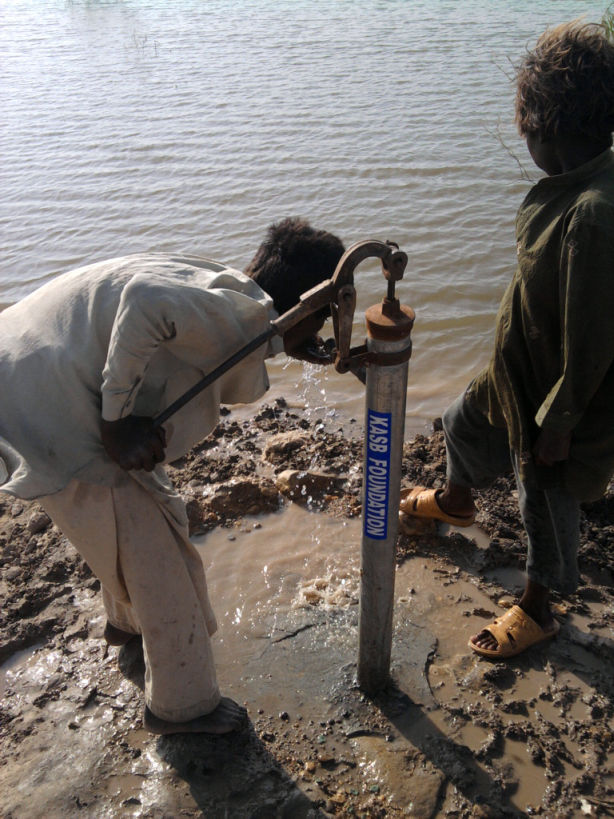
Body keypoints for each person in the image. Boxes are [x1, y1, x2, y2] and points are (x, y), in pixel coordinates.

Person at [0, 217, 344, 733]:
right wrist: (116, 425)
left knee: (140, 517)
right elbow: (144, 301)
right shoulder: (230, 313)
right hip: (46, 408)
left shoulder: (228, 290)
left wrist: (290, 339)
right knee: (159, 560)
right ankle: (184, 707)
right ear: (310, 304)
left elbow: (160, 311)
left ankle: (126, 625)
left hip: (27, 364)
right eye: (325, 316)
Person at [399, 20, 614, 659]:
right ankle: (455, 500)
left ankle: (539, 607)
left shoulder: (593, 216)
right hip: (515, 374)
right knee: (461, 423)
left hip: (555, 398)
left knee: (542, 496)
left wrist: (559, 423)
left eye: (526, 133)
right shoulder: (574, 188)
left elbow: (593, 340)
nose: (525, 142)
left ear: (547, 127)